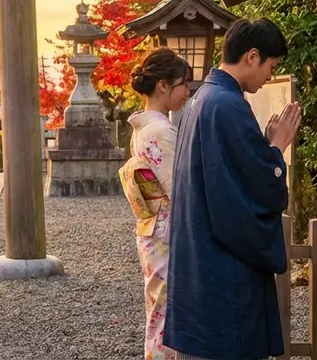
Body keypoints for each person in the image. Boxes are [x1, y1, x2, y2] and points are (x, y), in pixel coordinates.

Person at [163, 18, 302, 360]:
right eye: (271, 65)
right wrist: (275, 149)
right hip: (225, 272)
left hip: (200, 260)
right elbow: (252, 189)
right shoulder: (227, 106)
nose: (270, 74)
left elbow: (228, 175)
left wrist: (265, 149)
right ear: (252, 56)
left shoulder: (203, 100)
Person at [119, 48, 193, 360]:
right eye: (183, 84)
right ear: (163, 85)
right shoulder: (161, 130)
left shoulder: (143, 129)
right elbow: (181, 190)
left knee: (158, 310)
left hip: (152, 227)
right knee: (166, 313)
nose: (187, 92)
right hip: (167, 229)